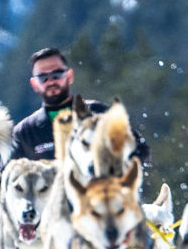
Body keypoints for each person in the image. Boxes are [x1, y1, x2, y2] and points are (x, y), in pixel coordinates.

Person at [8, 47, 150, 165]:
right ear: (34, 84)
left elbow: (140, 150)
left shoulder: (97, 113)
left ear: (69, 76)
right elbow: (6, 179)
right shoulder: (25, 132)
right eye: (43, 78)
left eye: (57, 74)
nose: (51, 81)